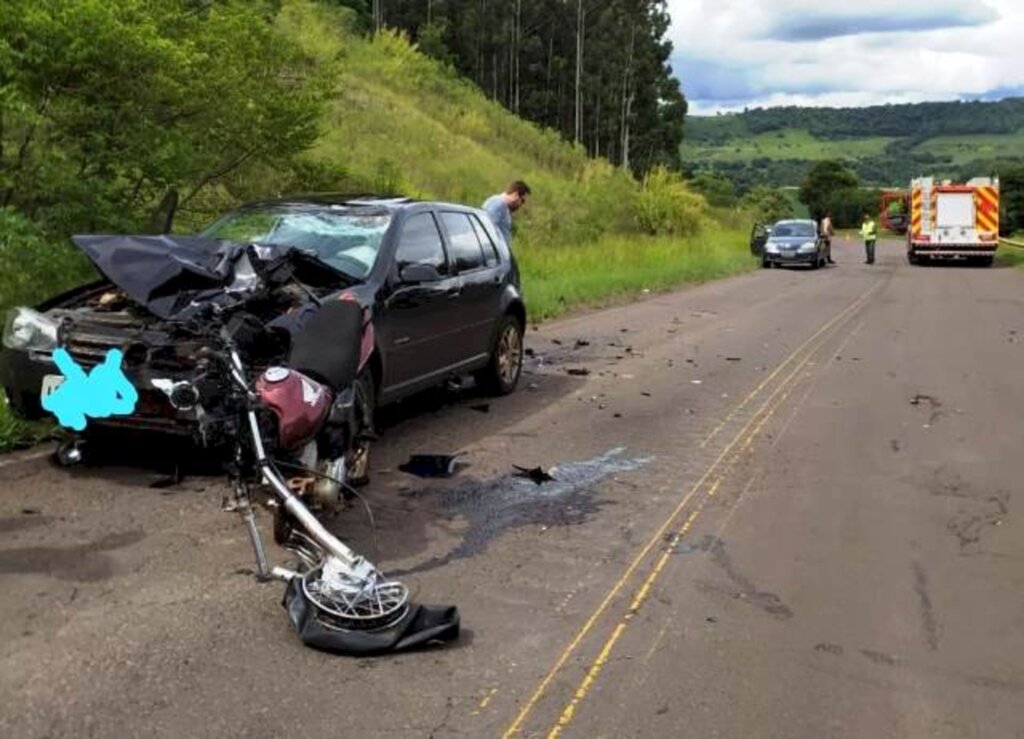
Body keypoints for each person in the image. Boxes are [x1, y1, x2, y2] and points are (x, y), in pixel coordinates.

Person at [482, 180, 531, 246]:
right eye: (522, 201)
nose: (521, 205)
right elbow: (487, 229)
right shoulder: (499, 204)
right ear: (516, 194)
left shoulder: (501, 204)